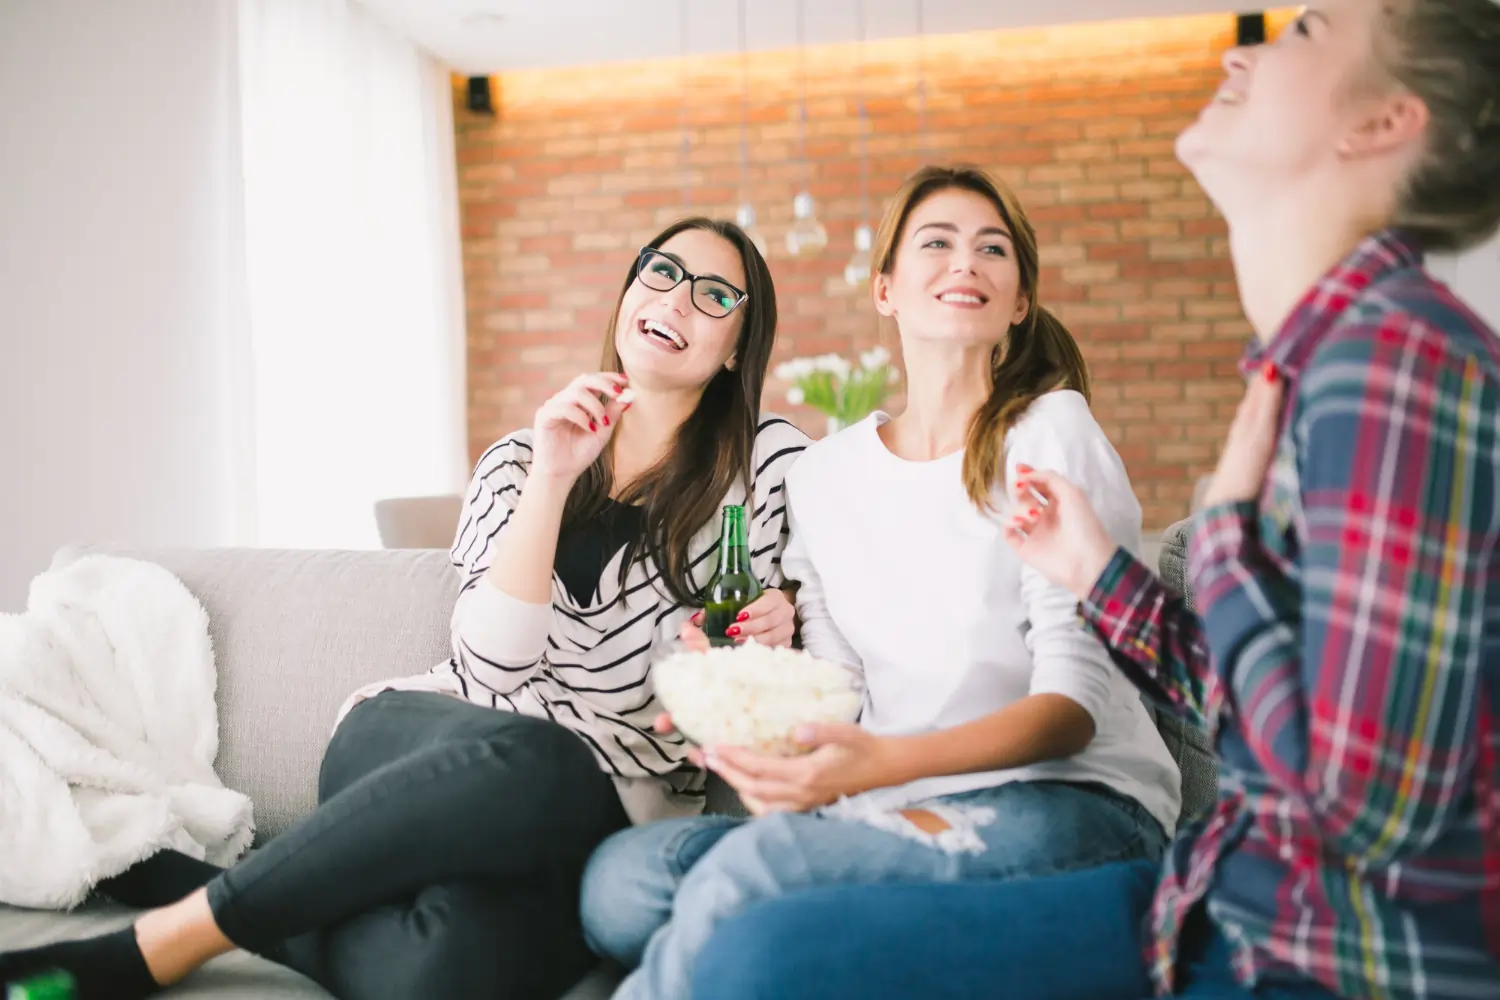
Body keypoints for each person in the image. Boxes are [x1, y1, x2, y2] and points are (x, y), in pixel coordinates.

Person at [689, 2, 1500, 998]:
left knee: (752, 945)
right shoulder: (1322, 366)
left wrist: (1229, 545)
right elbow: (1270, 714)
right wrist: (1105, 578)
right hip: (1233, 907)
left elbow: (1359, 796)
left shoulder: (1393, 367)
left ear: (1379, 125)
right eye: (935, 245)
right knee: (681, 902)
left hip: (1322, 953)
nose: (1246, 44)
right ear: (885, 287)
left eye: (1304, 32)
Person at [0, 216, 810, 1000]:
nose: (676, 299)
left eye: (714, 294)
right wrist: (555, 476)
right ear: (631, 289)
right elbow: (495, 665)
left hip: (606, 806)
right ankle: (156, 948)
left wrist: (783, 613)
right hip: (432, 742)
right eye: (661, 272)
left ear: (738, 343)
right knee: (541, 756)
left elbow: (792, 621)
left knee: (443, 974)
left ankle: (200, 891)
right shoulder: (522, 458)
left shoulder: (771, 466)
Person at [579, 165, 1183, 1000]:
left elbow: (1073, 712)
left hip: (1073, 808)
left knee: (742, 874)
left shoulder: (1049, 431)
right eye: (936, 243)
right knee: (622, 882)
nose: (964, 261)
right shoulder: (827, 475)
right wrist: (738, 708)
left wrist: (870, 770)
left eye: (992, 249)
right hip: (893, 803)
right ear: (887, 290)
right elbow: (841, 690)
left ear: (1018, 302)